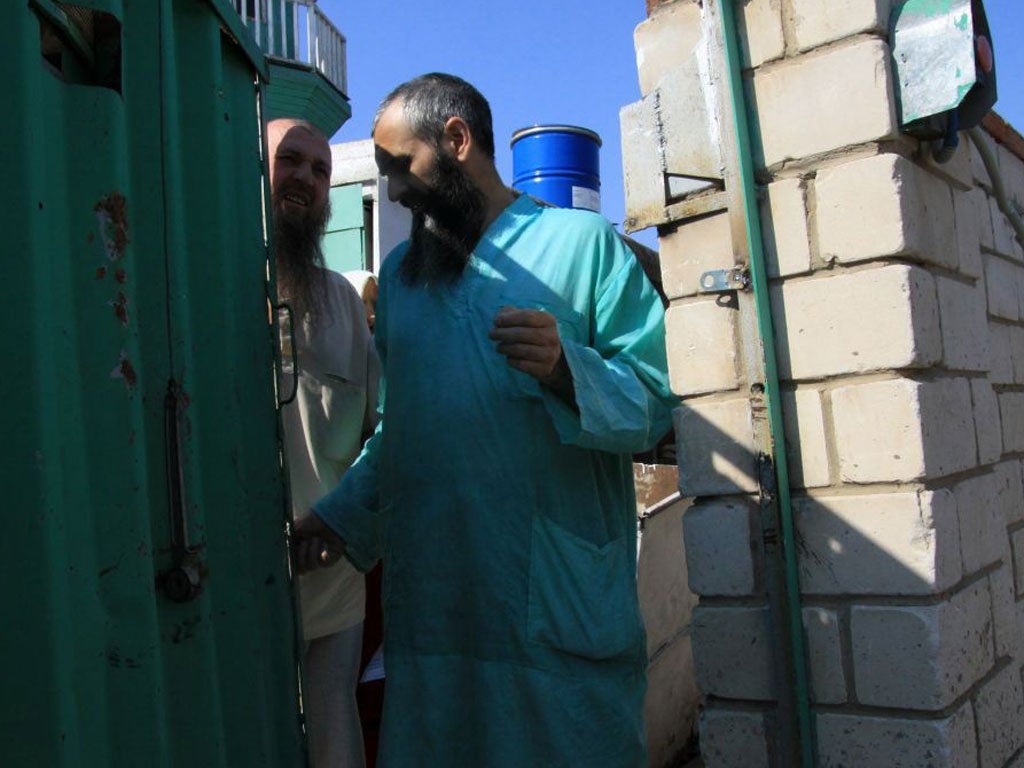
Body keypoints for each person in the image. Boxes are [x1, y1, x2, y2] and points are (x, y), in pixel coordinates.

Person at [293, 74, 676, 768]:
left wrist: (569, 371)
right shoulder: (405, 279)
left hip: (553, 619)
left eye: (399, 167)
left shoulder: (583, 245)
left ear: (457, 141)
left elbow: (655, 402)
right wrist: (343, 514)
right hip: (436, 618)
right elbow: (403, 431)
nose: (397, 191)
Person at [268, 117, 378, 768]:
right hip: (229, 576)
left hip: (328, 573)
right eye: (290, 160)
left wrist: (341, 522)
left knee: (334, 732)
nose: (305, 178)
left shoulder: (344, 302)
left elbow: (377, 432)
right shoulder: (205, 280)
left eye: (320, 169)